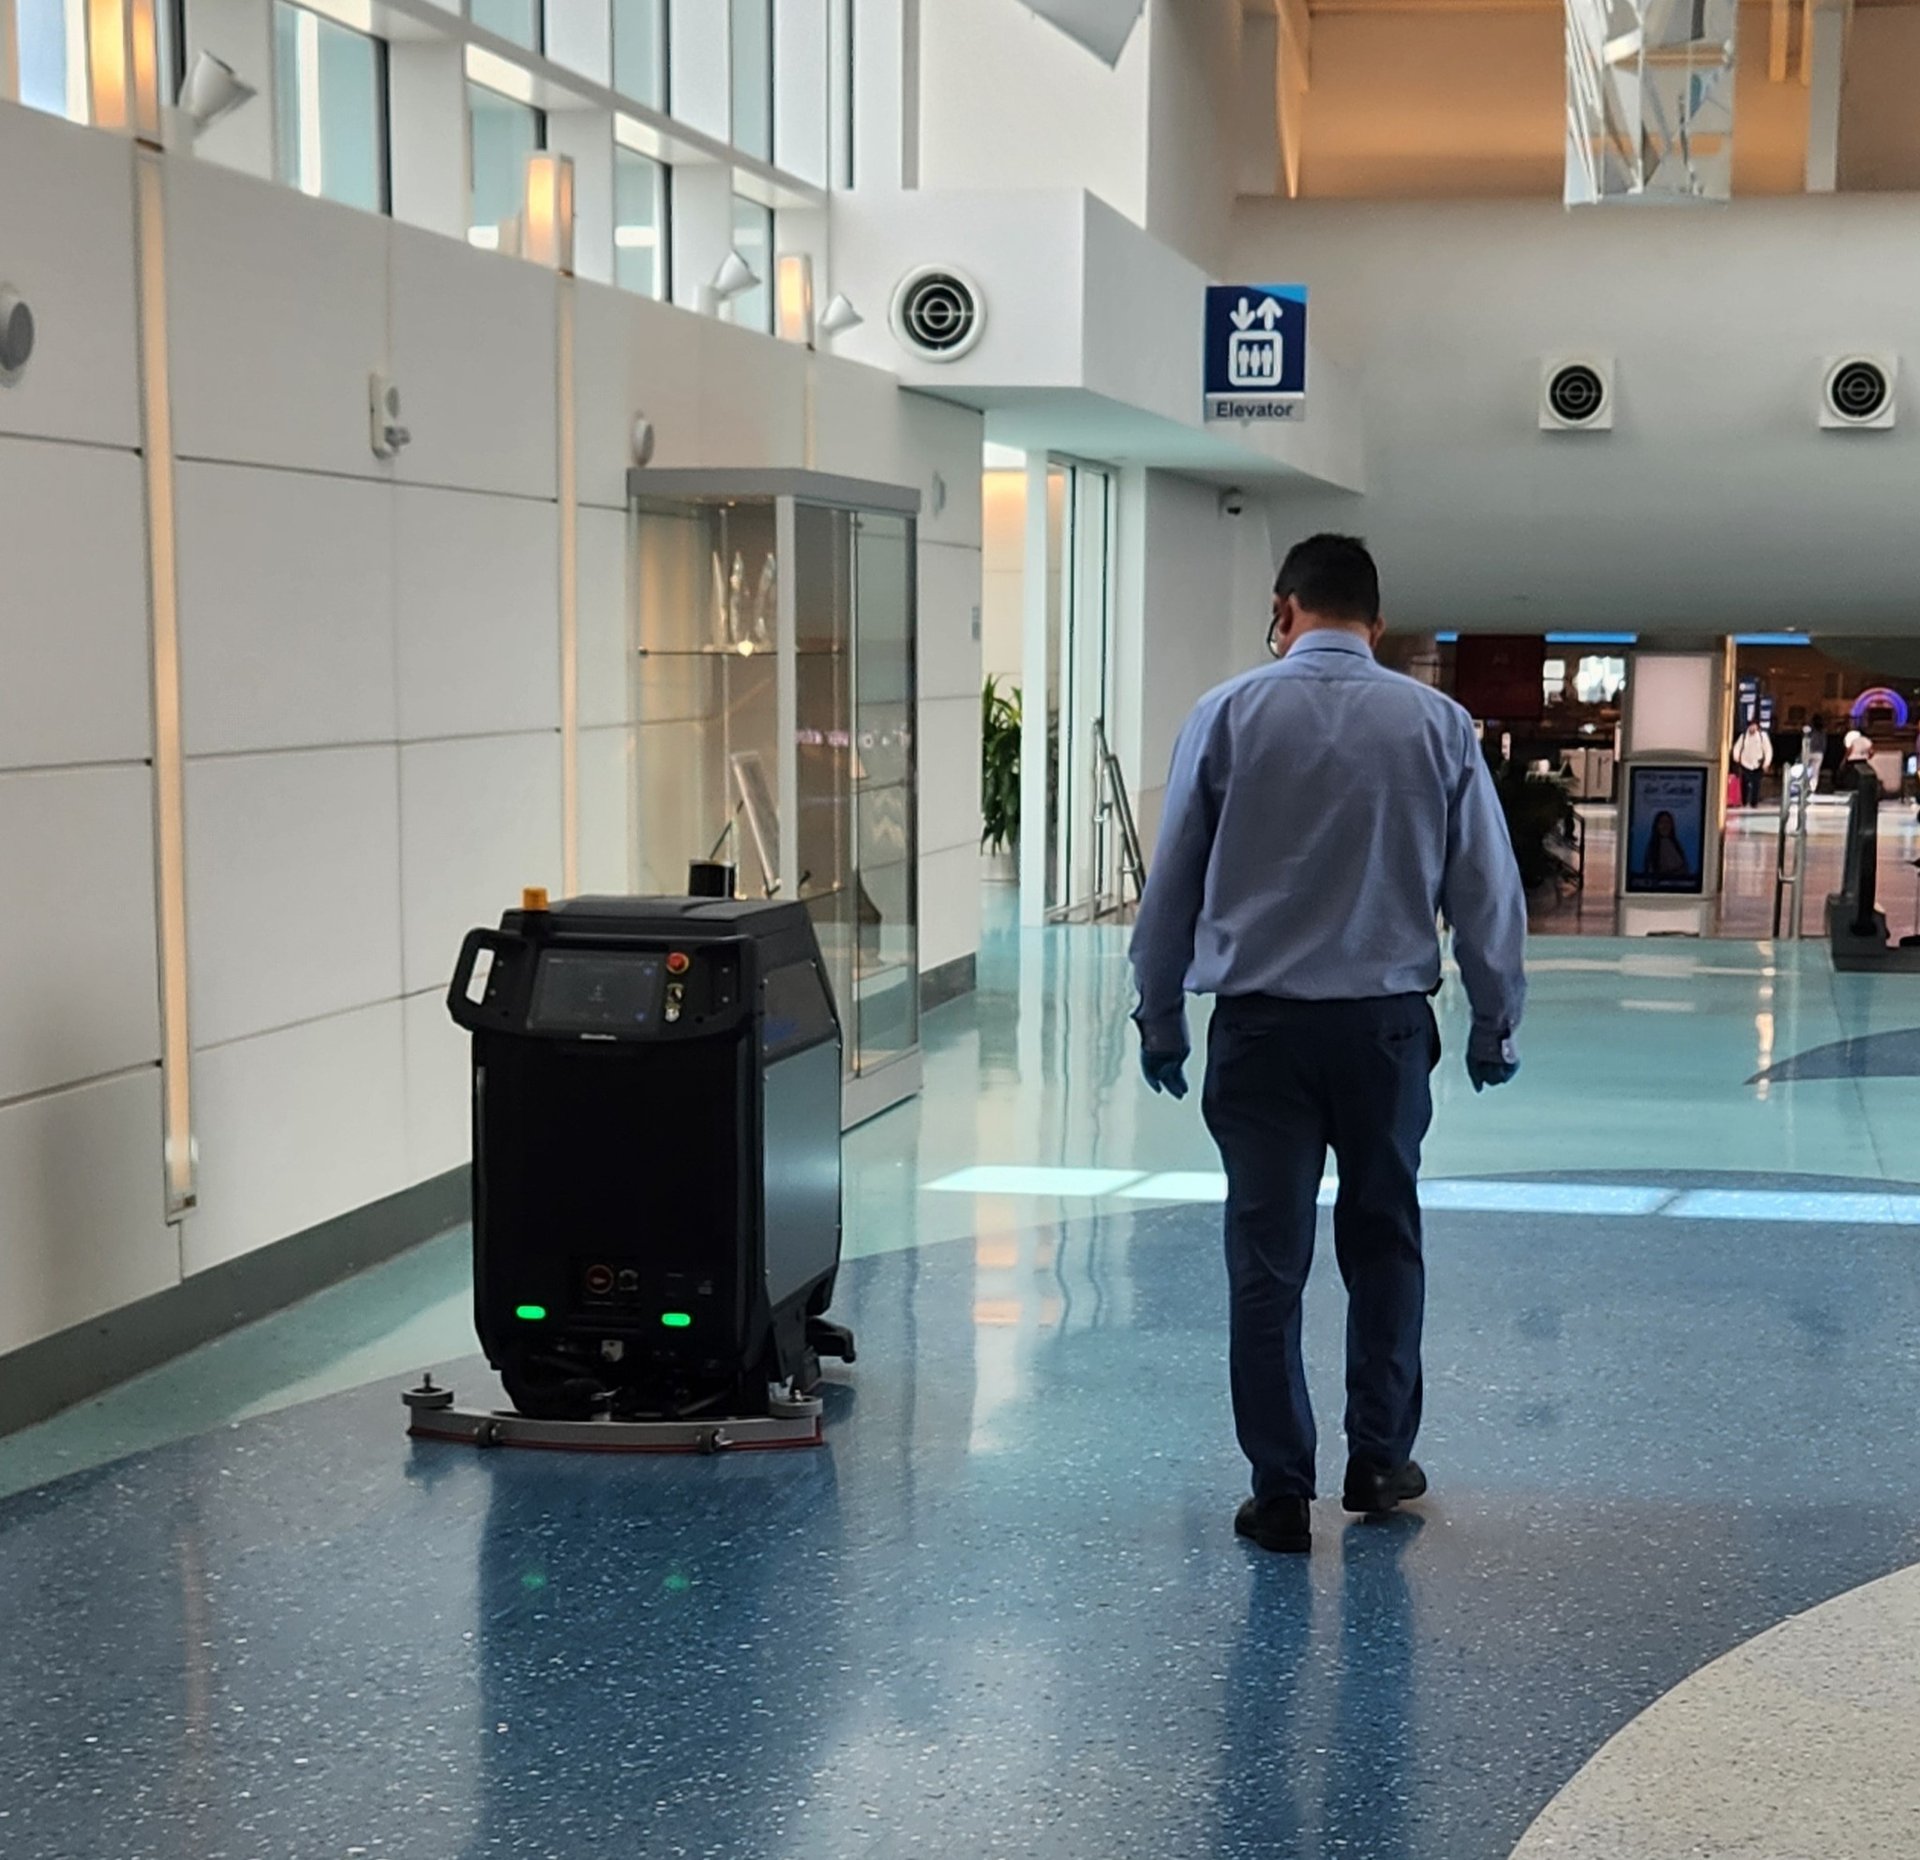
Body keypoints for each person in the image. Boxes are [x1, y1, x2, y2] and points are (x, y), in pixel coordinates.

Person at [1129, 534, 1527, 1557]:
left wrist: (1161, 1009)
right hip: (1384, 1032)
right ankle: (1380, 1461)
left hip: (1258, 1030)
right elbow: (1484, 889)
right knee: (1384, 1242)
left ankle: (1277, 1490)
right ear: (1375, 621)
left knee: (1266, 1260)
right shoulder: (1436, 723)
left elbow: (1172, 876)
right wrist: (1494, 1016)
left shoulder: (1226, 715)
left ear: (1284, 608)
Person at [1640, 809, 1692, 885]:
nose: (1665, 826)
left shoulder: (1676, 845)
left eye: (1667, 822)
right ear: (1656, 826)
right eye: (1662, 823)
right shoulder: (1653, 847)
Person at [1733, 719, 1773, 810]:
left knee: (1756, 784)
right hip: (1745, 763)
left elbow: (1768, 750)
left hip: (1757, 764)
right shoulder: (1743, 736)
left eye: (1754, 725)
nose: (1752, 727)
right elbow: (1737, 747)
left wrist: (1767, 762)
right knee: (1744, 784)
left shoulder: (1762, 736)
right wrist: (1736, 757)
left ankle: (1754, 803)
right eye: (1750, 726)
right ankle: (1744, 801)